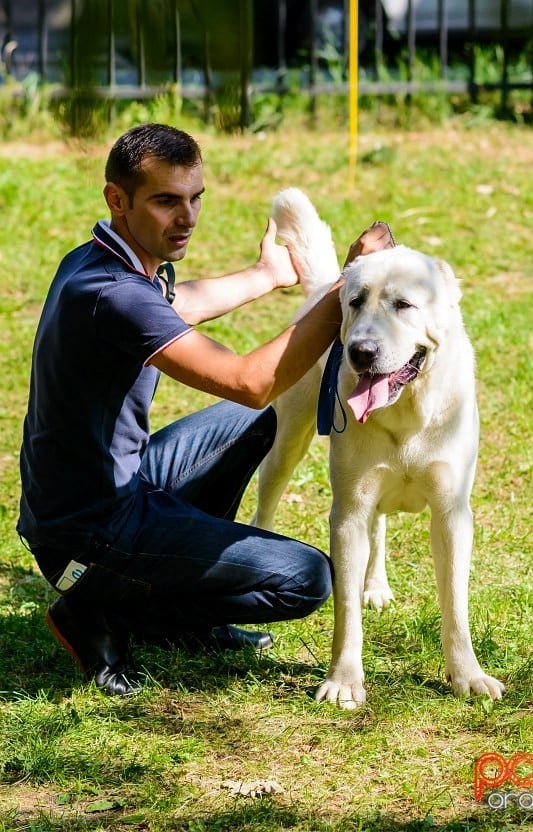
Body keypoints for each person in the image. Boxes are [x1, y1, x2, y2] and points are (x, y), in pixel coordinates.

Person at [18, 122, 392, 697]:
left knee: (253, 426)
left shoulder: (96, 262)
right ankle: (103, 607)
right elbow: (250, 381)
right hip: (88, 537)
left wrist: (266, 276)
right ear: (116, 199)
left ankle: (175, 597)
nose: (187, 217)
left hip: (110, 489)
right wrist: (348, 285)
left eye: (195, 198)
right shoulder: (113, 296)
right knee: (309, 577)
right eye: (166, 201)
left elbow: (174, 304)